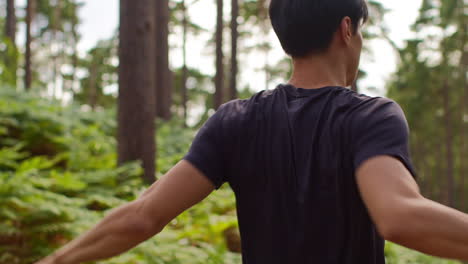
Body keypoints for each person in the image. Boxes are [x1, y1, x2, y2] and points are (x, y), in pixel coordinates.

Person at [36, 0, 468, 263]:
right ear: (347, 29)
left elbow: (143, 214)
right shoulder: (371, 116)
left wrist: (57, 260)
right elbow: (399, 216)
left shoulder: (235, 120)